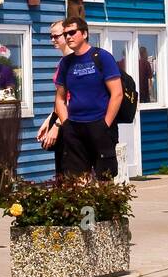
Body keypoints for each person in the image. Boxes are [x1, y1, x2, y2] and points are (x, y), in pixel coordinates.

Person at [52, 17, 124, 179]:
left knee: (105, 179)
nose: (68, 37)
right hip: (75, 127)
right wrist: (66, 125)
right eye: (65, 34)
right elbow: (60, 98)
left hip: (100, 125)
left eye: (72, 32)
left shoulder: (102, 57)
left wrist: (105, 124)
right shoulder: (66, 63)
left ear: (84, 33)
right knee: (77, 181)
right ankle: (84, 206)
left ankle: (105, 206)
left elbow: (117, 93)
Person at [37, 20, 72, 173]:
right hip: (60, 116)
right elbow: (60, 95)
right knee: (61, 169)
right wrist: (50, 118)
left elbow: (73, 99)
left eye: (56, 36)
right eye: (51, 36)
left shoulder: (74, 62)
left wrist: (58, 126)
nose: (52, 40)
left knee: (69, 169)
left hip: (70, 121)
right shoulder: (63, 62)